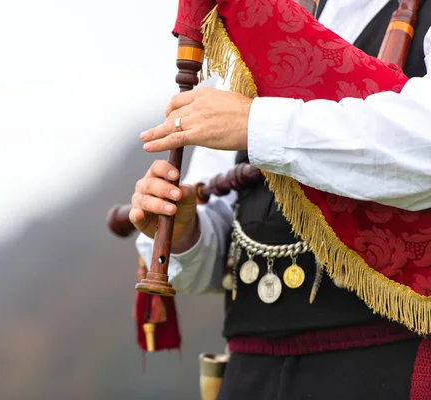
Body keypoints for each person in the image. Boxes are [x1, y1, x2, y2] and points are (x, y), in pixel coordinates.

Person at [132, 0, 431, 398]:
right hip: (251, 372)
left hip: (390, 364)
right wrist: (188, 232)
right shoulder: (267, 19)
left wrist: (256, 123)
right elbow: (233, 230)